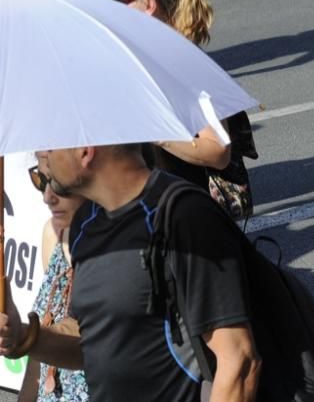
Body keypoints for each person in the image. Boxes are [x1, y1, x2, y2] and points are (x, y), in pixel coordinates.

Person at [0, 145, 260, 401]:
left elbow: (239, 362)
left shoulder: (182, 215)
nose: (43, 158)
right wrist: (23, 336)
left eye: (51, 150)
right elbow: (90, 338)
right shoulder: (84, 224)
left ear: (85, 151)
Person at [110, 0, 232, 190]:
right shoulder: (143, 54)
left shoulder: (184, 63)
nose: (110, 5)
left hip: (179, 204)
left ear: (148, 5)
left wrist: (157, 132)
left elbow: (218, 149)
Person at [19, 160, 89, 402]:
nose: (47, 197)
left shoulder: (120, 252)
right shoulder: (53, 234)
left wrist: (22, 336)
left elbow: (86, 339)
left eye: (58, 184)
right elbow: (37, 361)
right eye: (40, 179)